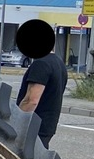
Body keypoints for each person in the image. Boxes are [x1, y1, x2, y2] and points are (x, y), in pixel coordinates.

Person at [15, 19, 68, 148]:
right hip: (47, 124)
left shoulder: (41, 64)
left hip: (32, 126)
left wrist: (15, 121)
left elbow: (31, 100)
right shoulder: (58, 63)